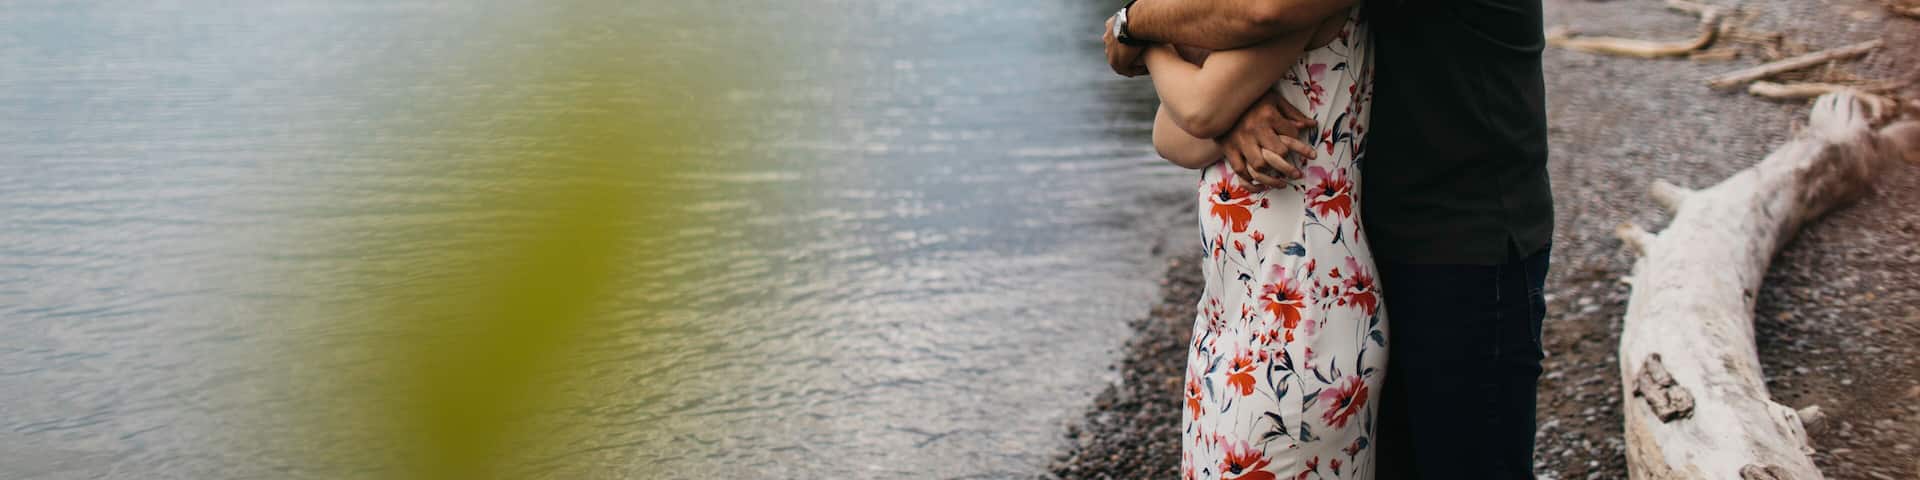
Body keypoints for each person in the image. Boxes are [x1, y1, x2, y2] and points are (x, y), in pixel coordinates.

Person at [1105, 0, 1555, 477]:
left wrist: (1133, 27)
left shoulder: (1291, 17)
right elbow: (1179, 131)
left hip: (1456, 240)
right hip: (1293, 279)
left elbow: (1264, 15)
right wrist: (1235, 110)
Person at [1140, 4, 1385, 479]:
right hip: (1235, 308)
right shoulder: (1249, 18)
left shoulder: (1282, 13)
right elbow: (1175, 138)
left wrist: (1140, 36)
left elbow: (1196, 108)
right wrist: (1234, 113)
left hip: (1299, 310)